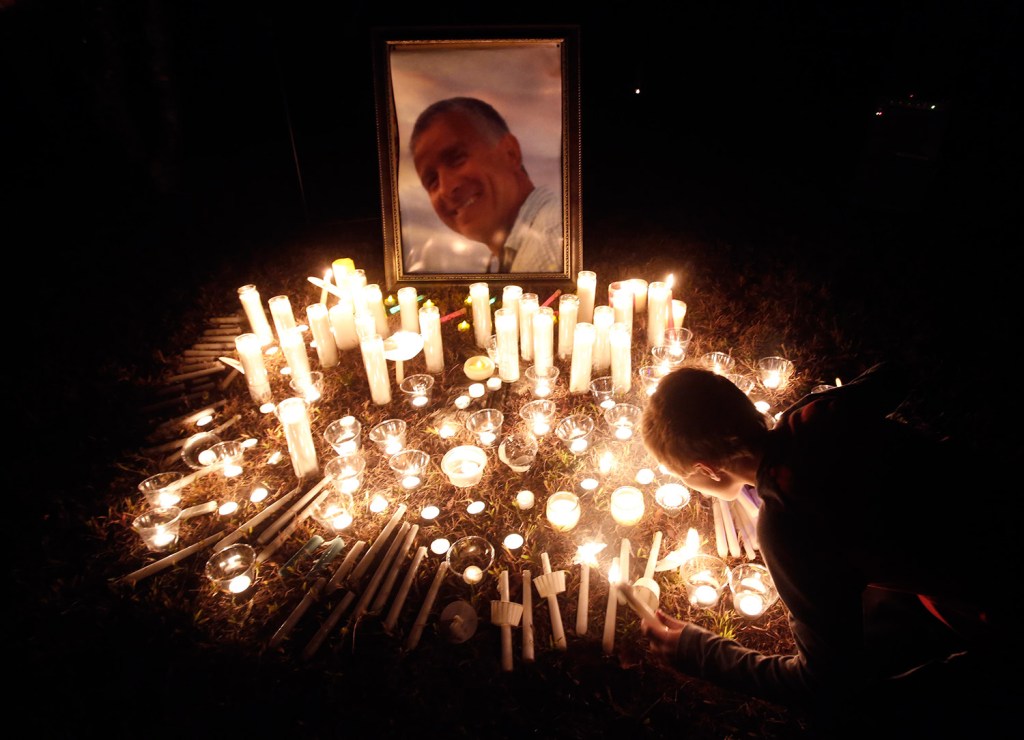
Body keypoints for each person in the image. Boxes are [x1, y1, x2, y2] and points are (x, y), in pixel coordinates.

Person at [638, 362, 1013, 737]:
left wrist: (700, 652)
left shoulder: (789, 521)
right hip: (997, 500)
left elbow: (823, 680)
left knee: (858, 709)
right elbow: (892, 376)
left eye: (687, 478)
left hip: (996, 603)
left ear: (708, 468)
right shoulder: (818, 413)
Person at [409, 96, 563, 273]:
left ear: (510, 153)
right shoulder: (514, 253)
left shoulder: (550, 244)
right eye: (432, 181)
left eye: (457, 159)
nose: (446, 188)